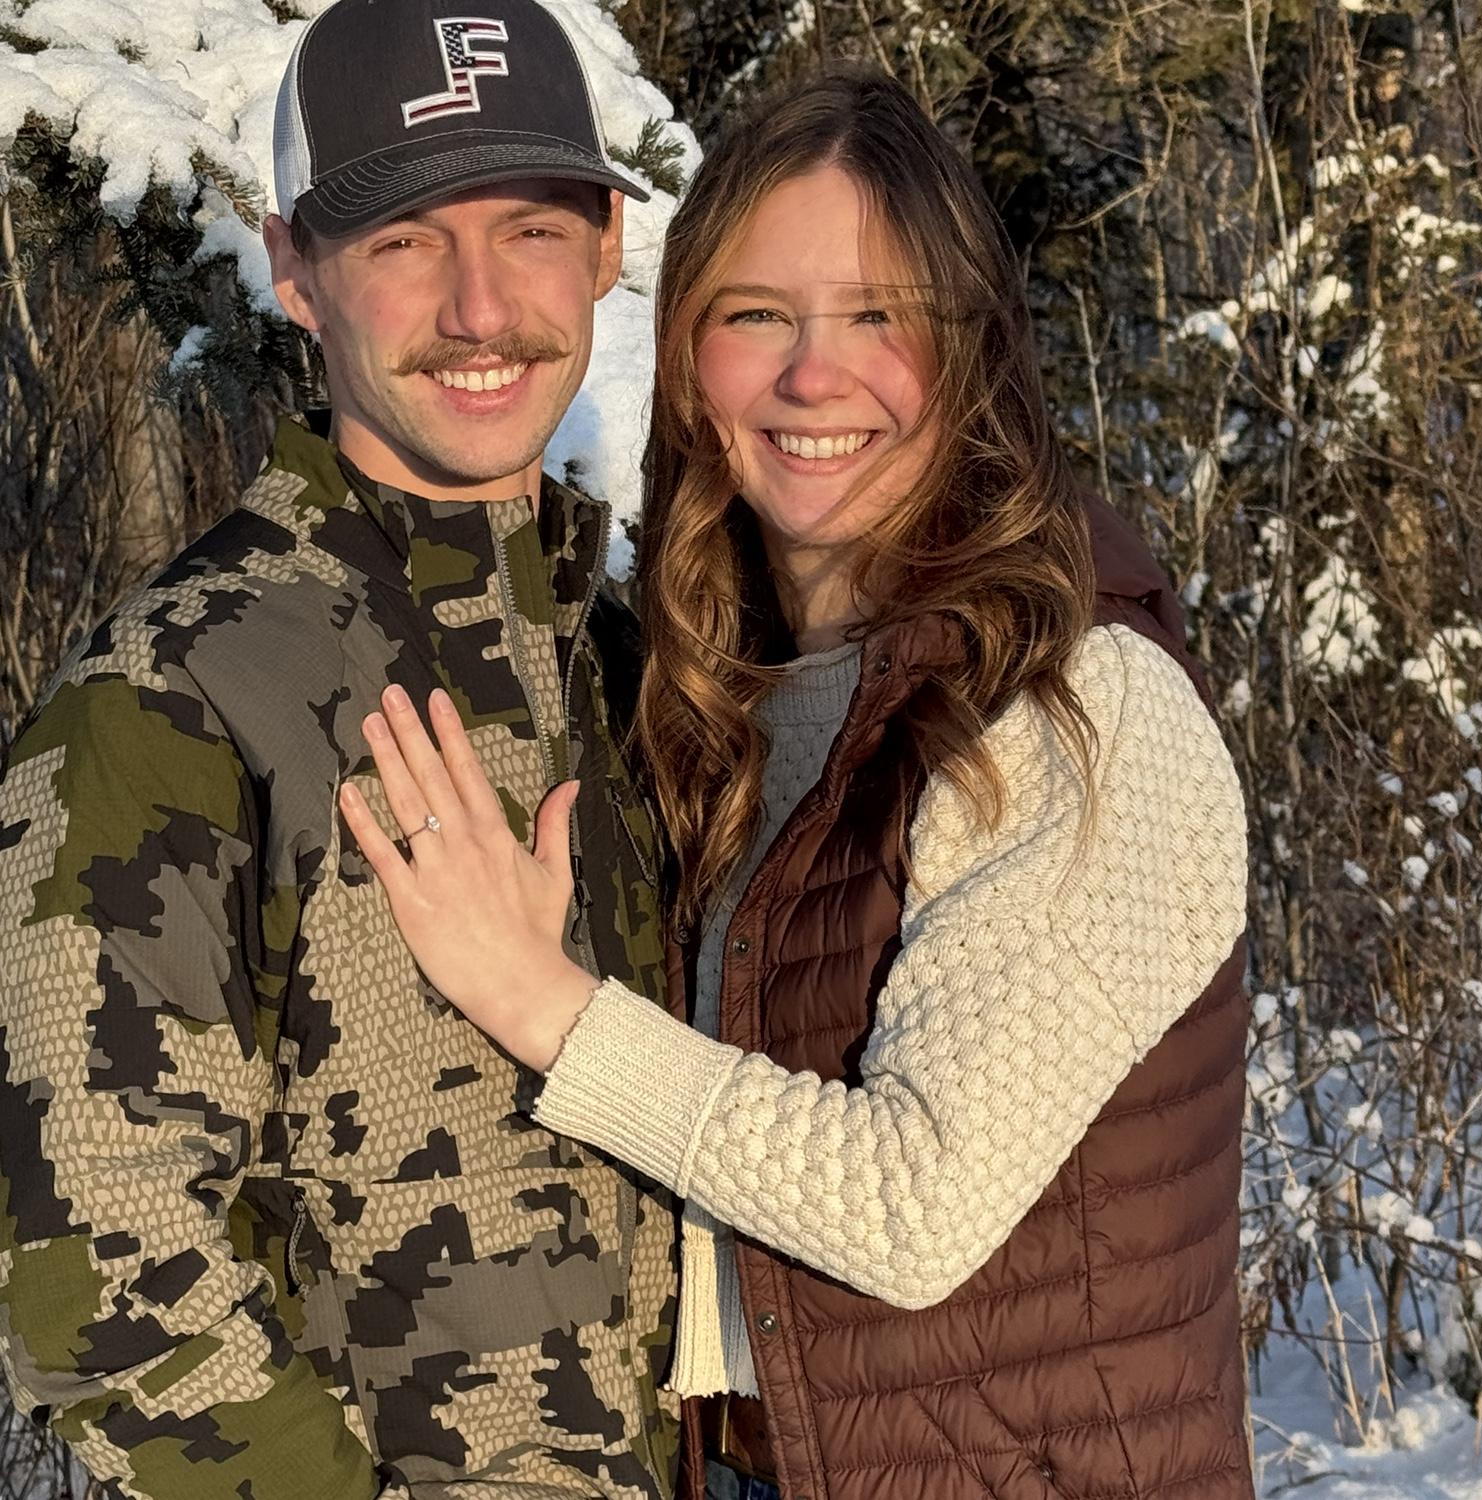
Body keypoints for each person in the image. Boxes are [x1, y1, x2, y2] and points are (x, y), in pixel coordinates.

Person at [343, 69, 1255, 1500]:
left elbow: (914, 1204)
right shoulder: (725, 691)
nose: (813, 377)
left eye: (881, 315)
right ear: (687, 355)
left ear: (973, 347)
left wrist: (535, 998)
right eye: (757, 314)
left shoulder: (1076, 705)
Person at [0, 2, 680, 1496]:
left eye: (529, 229)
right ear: (296, 268)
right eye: (405, 240)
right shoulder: (176, 697)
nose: (481, 308)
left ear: (607, 243)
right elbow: (96, 1279)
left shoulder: (632, 664)